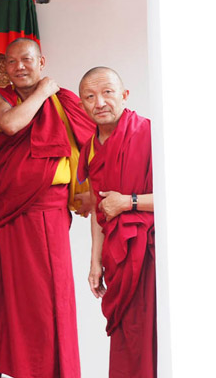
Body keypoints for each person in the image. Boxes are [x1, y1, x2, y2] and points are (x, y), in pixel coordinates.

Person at [0, 38, 95, 378]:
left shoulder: (65, 102)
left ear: (41, 62)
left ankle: (50, 370)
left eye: (26, 59)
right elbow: (11, 124)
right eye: (11, 61)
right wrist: (42, 93)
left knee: (47, 296)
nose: (19, 66)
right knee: (3, 296)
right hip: (6, 211)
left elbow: (93, 141)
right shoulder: (0, 97)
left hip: (46, 211)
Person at [77, 67, 156, 378]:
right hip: (117, 256)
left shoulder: (148, 132)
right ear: (82, 105)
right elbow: (99, 208)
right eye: (90, 96)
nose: (100, 102)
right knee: (126, 337)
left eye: (108, 92)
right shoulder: (90, 148)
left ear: (124, 95)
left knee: (151, 334)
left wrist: (129, 202)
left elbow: (182, 195)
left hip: (149, 253)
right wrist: (94, 261)